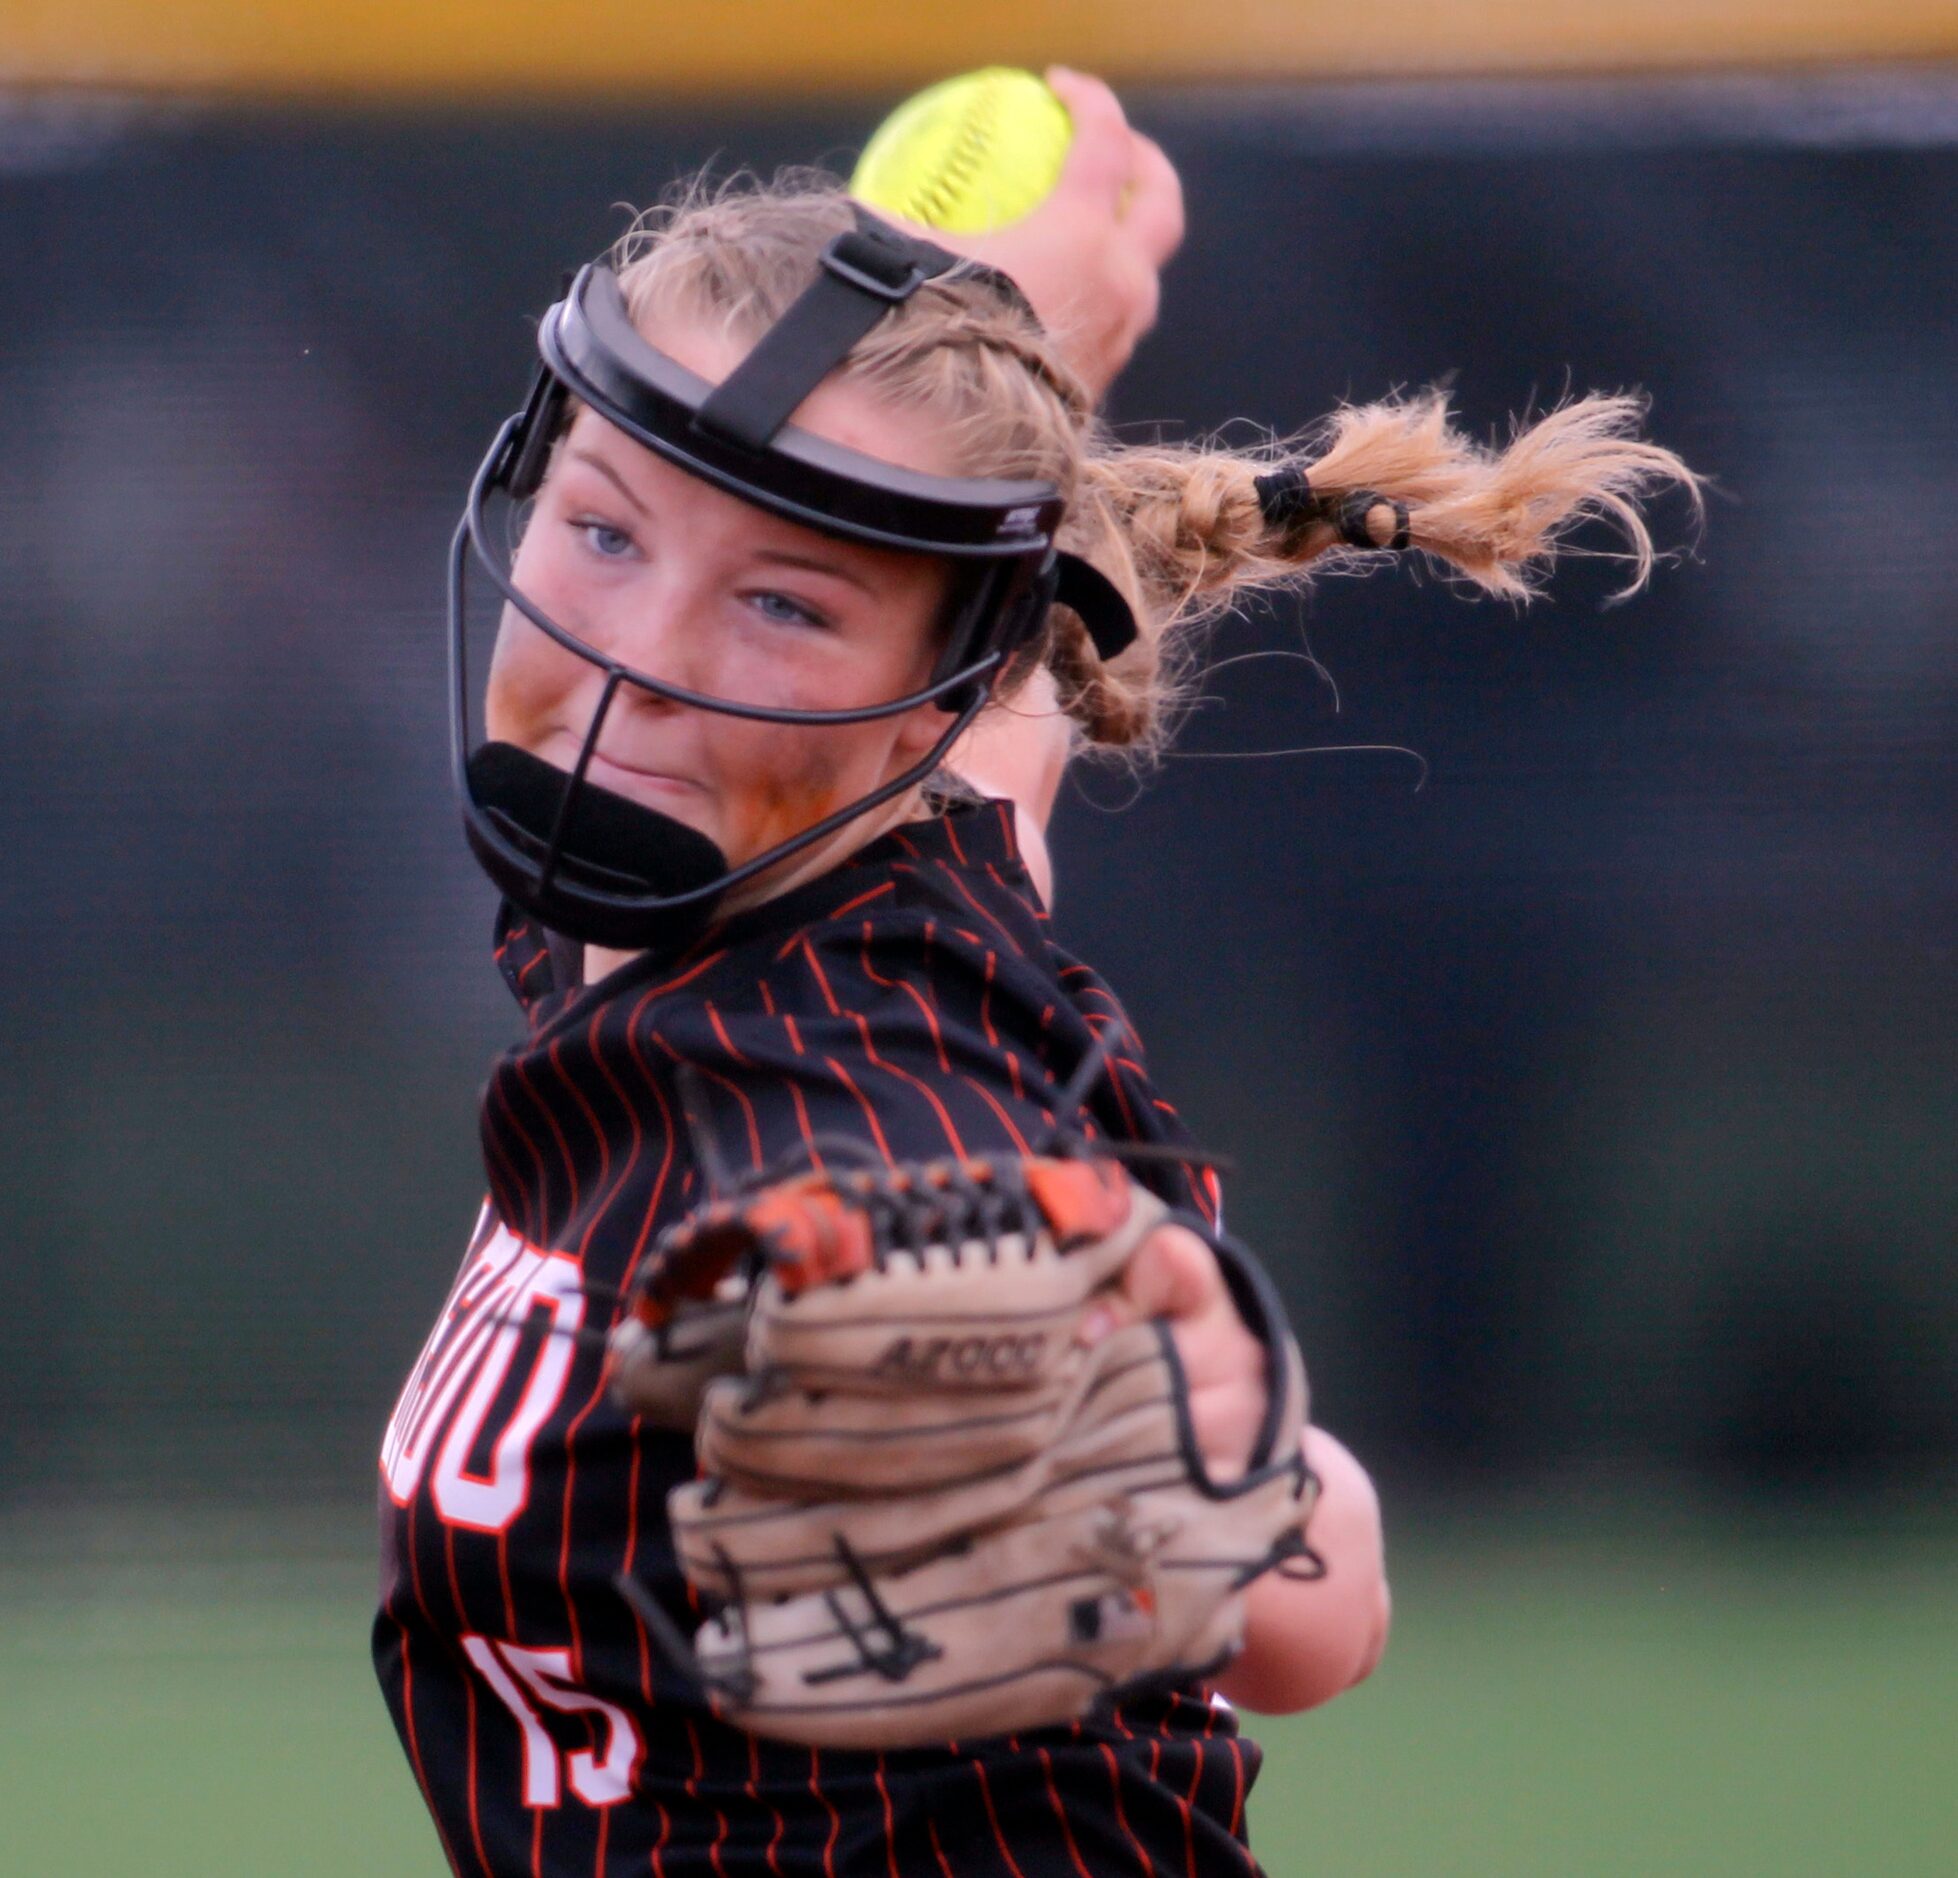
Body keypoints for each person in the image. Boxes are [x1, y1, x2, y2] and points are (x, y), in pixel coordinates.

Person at [375, 72, 1695, 1875]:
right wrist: (990, 328)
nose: (641, 661)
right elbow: (994, 708)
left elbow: (1318, 1616)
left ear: (915, 694)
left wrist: (1229, 1464)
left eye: (785, 601)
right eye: (605, 527)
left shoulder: (868, 1143)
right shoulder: (754, 875)